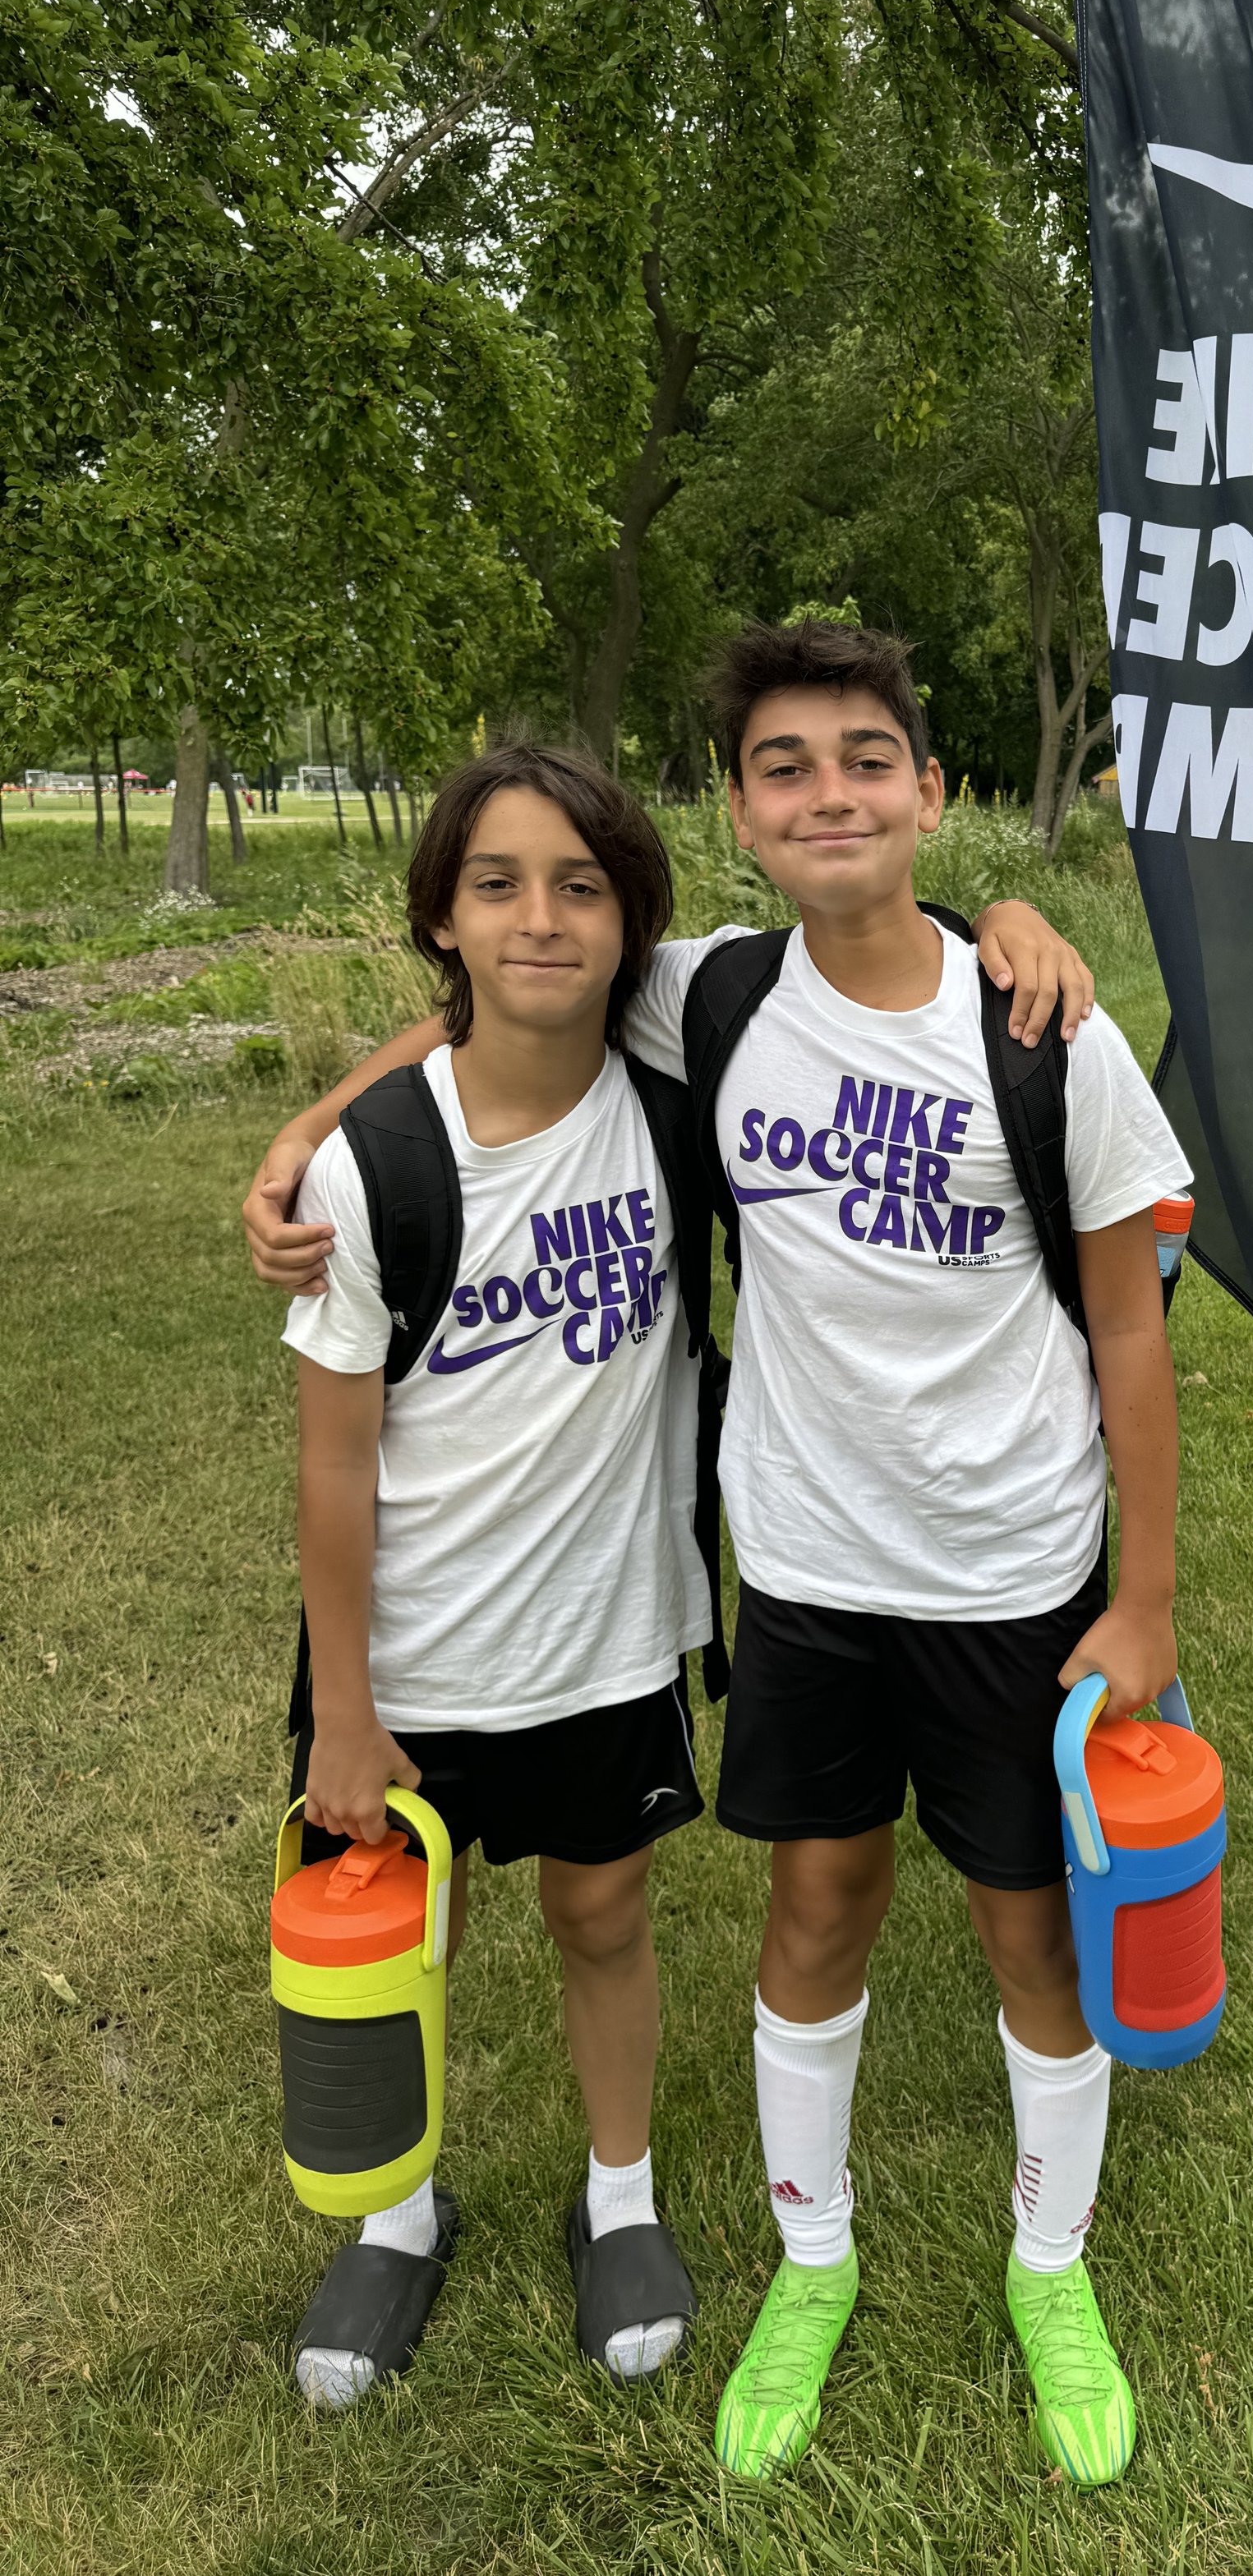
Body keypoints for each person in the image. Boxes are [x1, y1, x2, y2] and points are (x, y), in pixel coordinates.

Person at [245, 739, 1093, 2415]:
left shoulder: (673, 1086)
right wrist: (299, 1129)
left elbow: (861, 972)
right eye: (496, 883)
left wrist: (1006, 904)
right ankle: (393, 2216)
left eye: (580, 886)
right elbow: (330, 1457)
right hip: (410, 1649)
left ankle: (617, 2192)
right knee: (399, 1918)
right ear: (439, 908)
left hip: (610, 1622)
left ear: (631, 922)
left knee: (601, 1902)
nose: (540, 919)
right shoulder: (380, 1170)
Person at [682, 620, 1190, 2489]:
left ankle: (1046, 2262)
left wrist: (1140, 1595)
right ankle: (812, 2257)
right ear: (738, 806)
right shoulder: (713, 998)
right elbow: (502, 990)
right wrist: (311, 1135)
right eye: (787, 763)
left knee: (1024, 1927)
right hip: (810, 1567)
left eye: (865, 756)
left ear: (930, 788)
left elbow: (1126, 1321)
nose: (830, 790)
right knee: (814, 1906)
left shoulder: (1043, 1020)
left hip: (1013, 1573)